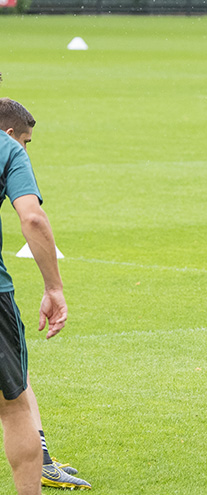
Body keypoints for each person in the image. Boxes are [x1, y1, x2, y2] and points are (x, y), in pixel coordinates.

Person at [0, 96, 90, 492]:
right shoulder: (7, 149)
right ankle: (43, 464)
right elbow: (32, 217)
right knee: (14, 405)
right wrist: (54, 287)